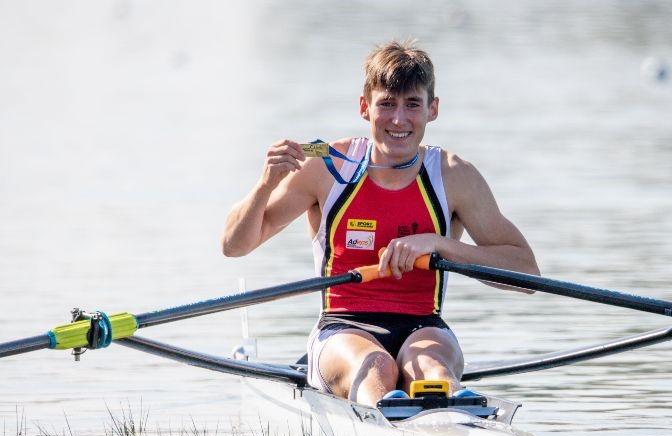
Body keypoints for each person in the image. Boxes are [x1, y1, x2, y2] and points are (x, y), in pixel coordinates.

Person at [222, 40, 538, 406]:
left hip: (424, 326)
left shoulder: (455, 175)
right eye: (386, 103)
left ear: (432, 109)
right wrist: (264, 185)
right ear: (364, 107)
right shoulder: (325, 162)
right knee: (376, 366)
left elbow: (527, 273)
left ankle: (450, 420)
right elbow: (233, 245)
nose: (399, 120)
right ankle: (391, 417)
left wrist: (438, 243)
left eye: (412, 105)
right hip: (341, 326)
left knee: (432, 367)